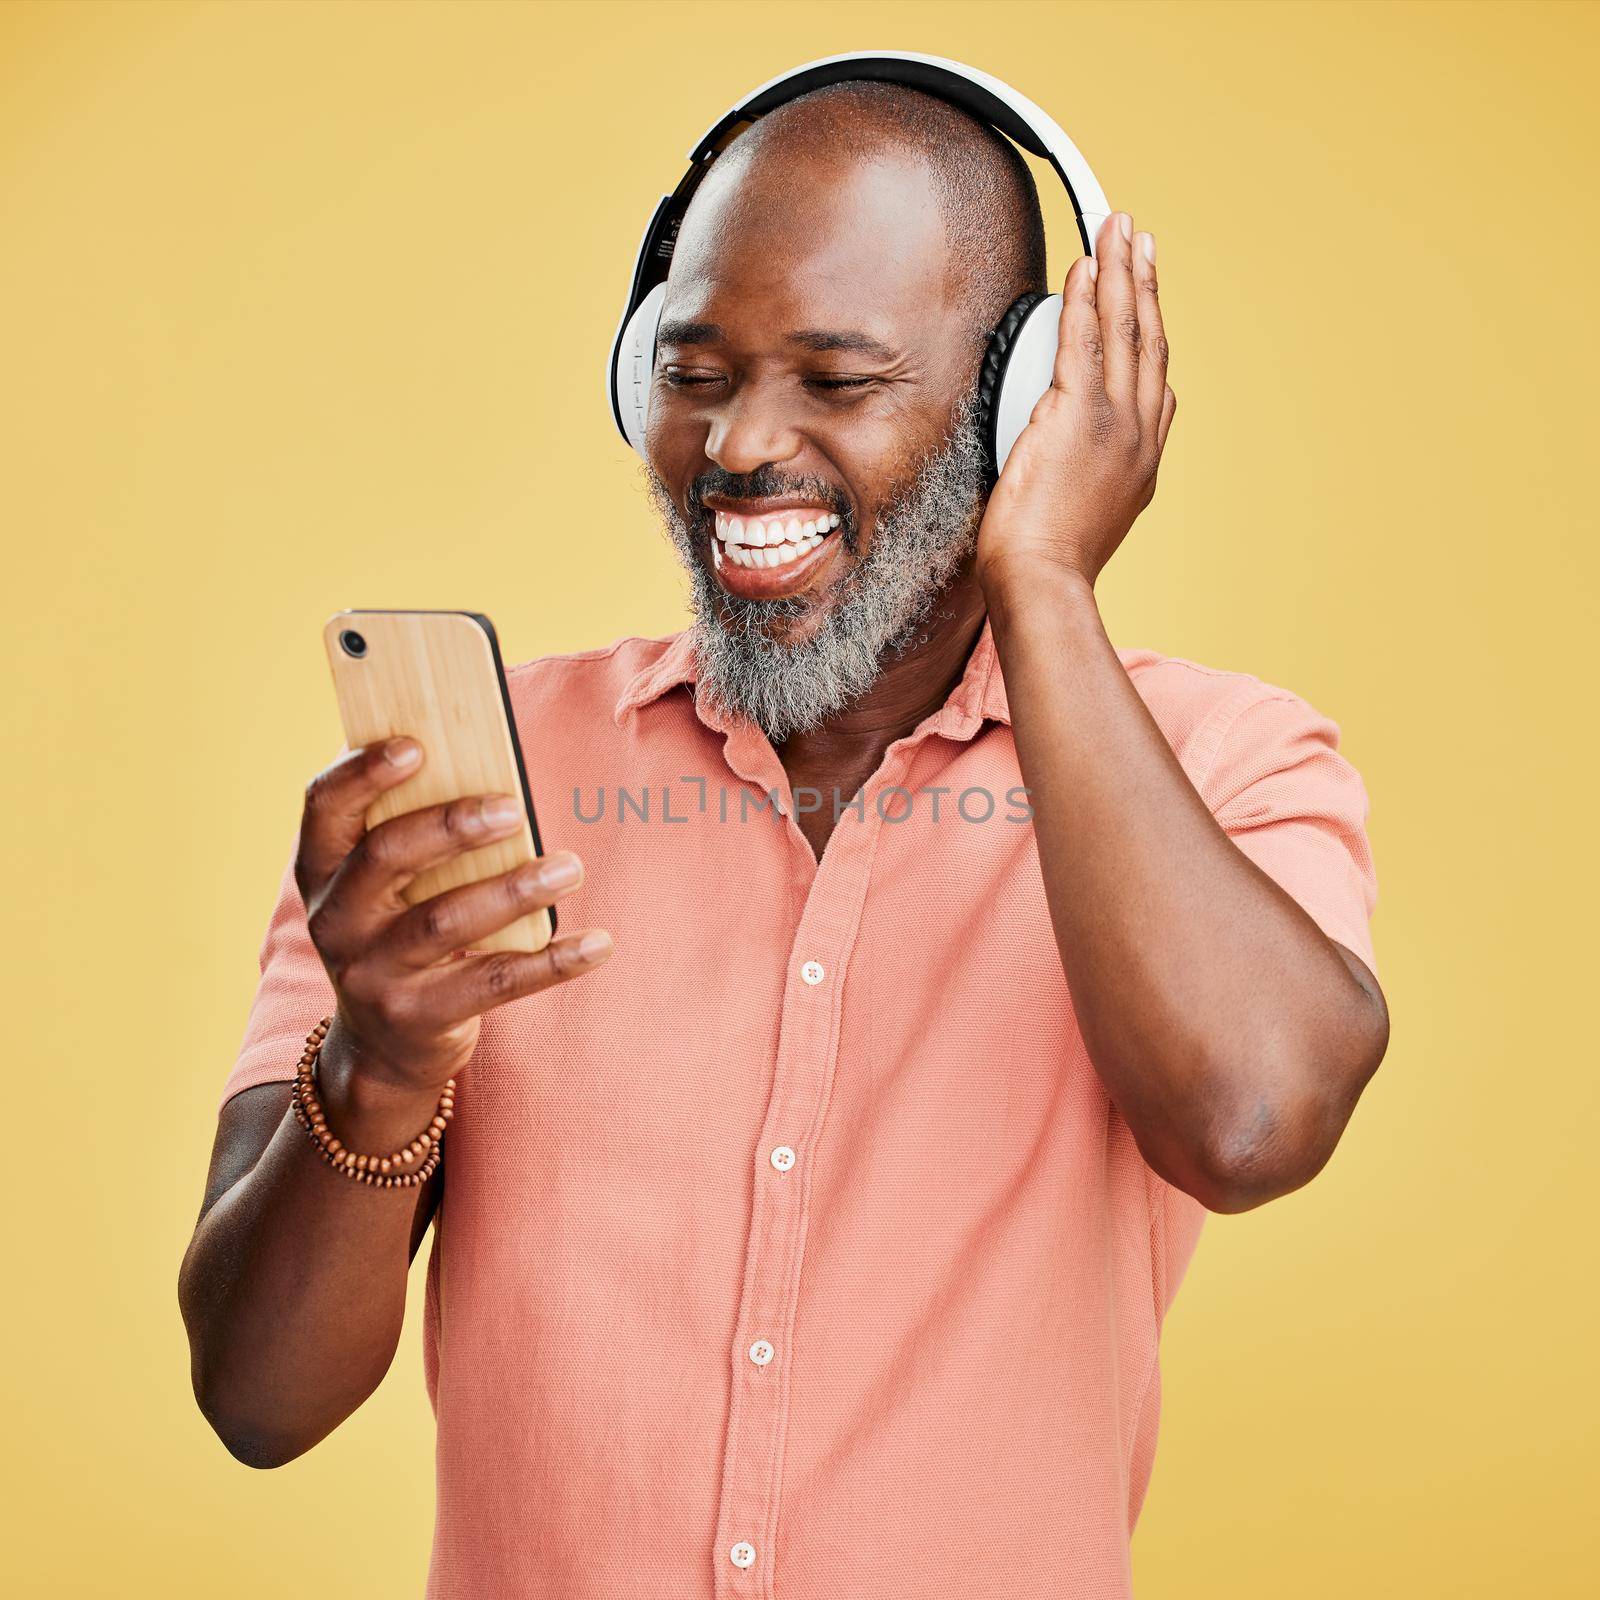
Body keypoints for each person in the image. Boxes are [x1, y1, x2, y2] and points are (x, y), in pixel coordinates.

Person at [180, 74, 1388, 1599]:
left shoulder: (1218, 765)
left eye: (837, 379)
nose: (741, 446)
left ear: (1023, 404)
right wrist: (381, 1067)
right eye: (697, 372)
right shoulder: (480, 781)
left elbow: (1254, 1124)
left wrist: (1050, 583)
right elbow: (257, 1401)